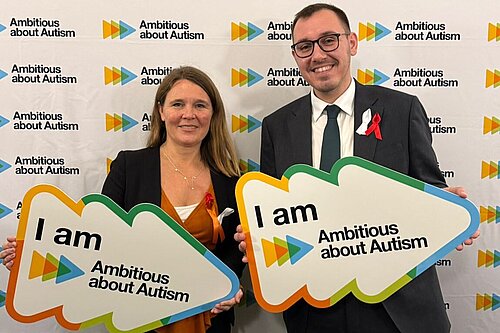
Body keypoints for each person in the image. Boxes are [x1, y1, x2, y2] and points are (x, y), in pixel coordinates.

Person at [234, 3, 479, 333]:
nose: (317, 55)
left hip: (396, 308)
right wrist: (257, 237)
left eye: (328, 40)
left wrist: (447, 212)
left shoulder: (401, 109)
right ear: (296, 57)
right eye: (304, 46)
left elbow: (430, 189)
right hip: (316, 310)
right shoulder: (277, 126)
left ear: (352, 43)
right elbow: (277, 213)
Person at [2, 66, 245, 333]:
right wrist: (32, 255)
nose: (189, 114)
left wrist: (231, 287)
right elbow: (97, 239)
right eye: (178, 104)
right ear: (161, 111)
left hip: (208, 319)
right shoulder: (129, 167)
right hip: (140, 320)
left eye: (200, 105)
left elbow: (234, 251)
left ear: (213, 114)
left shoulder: (231, 178)